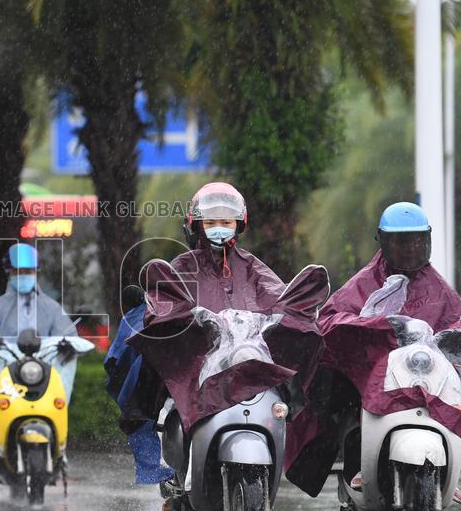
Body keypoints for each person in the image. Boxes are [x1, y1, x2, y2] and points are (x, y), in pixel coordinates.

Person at [284, 202, 461, 501]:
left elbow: (458, 328)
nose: (410, 248)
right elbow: (330, 319)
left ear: (427, 241)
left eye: (417, 240)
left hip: (423, 378)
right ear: (383, 242)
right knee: (337, 400)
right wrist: (372, 325)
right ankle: (358, 467)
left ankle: (447, 469)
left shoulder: (440, 289)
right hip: (374, 379)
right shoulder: (365, 281)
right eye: (401, 241)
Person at [111, 182, 326, 484]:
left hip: (244, 353)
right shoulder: (182, 267)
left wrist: (286, 315)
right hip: (199, 357)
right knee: (152, 378)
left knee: (295, 389)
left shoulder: (253, 267)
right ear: (196, 225)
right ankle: (169, 459)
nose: (219, 228)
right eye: (211, 222)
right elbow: (166, 298)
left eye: (226, 222)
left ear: (239, 225)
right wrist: (188, 319)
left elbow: (277, 296)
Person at [0, 242, 78, 465]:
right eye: (18, 271)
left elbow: (69, 334)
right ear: (9, 273)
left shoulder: (52, 308)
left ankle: (60, 449)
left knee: (59, 397)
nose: (23, 275)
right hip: (7, 370)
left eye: (28, 271)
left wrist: (69, 344)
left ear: (36, 272)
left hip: (42, 369)